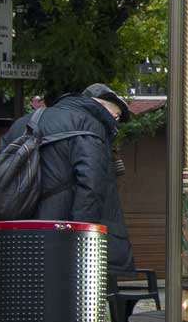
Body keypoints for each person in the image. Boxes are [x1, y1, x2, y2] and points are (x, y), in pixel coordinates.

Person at [9, 83, 134, 271]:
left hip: (17, 234)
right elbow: (91, 185)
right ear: (100, 105)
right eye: (115, 116)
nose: (114, 123)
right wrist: (81, 239)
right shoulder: (89, 124)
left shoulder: (22, 123)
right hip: (63, 235)